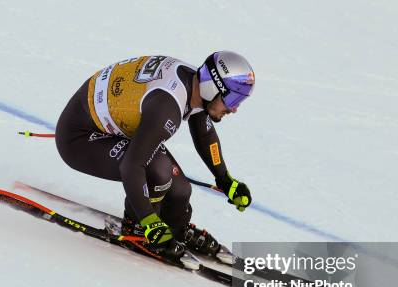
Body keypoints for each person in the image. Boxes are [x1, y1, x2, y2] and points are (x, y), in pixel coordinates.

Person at [55, 51, 254, 260]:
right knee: (158, 171)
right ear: (212, 87)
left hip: (103, 123)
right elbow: (132, 166)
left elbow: (204, 134)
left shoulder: (194, 84)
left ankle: (176, 228)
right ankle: (137, 229)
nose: (233, 109)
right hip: (79, 138)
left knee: (180, 192)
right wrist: (149, 221)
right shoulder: (167, 107)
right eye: (232, 98)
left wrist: (225, 179)